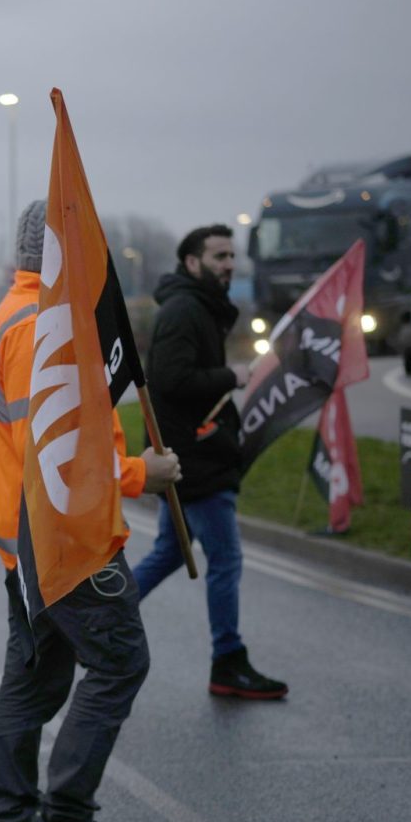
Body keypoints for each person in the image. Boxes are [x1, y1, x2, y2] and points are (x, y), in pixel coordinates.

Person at [0, 202, 182, 822]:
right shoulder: (42, 329)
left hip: (25, 540)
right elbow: (58, 449)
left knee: (34, 677)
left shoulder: (13, 316)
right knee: (120, 663)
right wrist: (139, 473)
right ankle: (65, 815)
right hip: (69, 539)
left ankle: (12, 820)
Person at [131, 224, 287, 700]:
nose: (228, 264)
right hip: (193, 458)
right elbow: (168, 380)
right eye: (219, 256)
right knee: (225, 559)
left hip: (189, 453)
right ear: (192, 263)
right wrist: (231, 376)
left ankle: (96, 622)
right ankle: (228, 661)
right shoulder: (184, 310)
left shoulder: (199, 306)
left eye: (231, 256)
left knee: (171, 552)